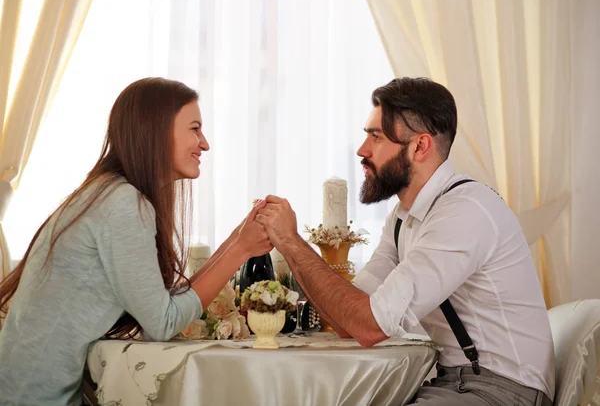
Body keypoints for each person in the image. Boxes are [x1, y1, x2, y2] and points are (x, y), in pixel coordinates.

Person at [255, 77, 554, 406]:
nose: (362, 150)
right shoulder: (403, 218)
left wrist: (292, 241)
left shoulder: (463, 212)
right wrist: (288, 244)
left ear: (420, 146)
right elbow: (347, 322)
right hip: (451, 383)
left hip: (504, 390)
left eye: (376, 137)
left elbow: (369, 327)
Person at [0, 77, 272, 405]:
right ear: (156, 131)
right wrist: (240, 250)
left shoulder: (107, 192)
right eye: (195, 128)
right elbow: (164, 322)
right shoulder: (123, 203)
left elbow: (161, 304)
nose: (205, 143)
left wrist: (235, 241)